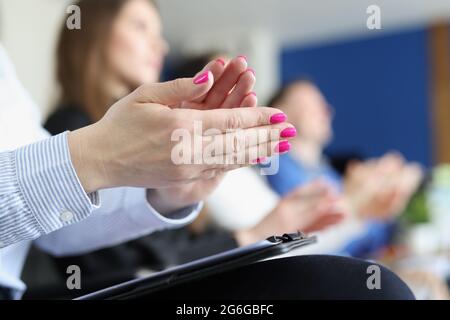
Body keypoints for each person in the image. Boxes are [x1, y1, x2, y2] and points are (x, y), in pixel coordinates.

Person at [0, 0, 415, 300]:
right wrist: (99, 158)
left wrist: (166, 192)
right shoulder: (69, 125)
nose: (160, 46)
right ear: (93, 33)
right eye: (141, 26)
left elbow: (56, 230)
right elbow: (129, 267)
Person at [265, 79, 423, 257]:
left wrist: (379, 198)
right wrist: (361, 194)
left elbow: (363, 240)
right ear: (281, 111)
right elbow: (304, 234)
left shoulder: (327, 173)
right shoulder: (273, 165)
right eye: (313, 104)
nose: (327, 111)